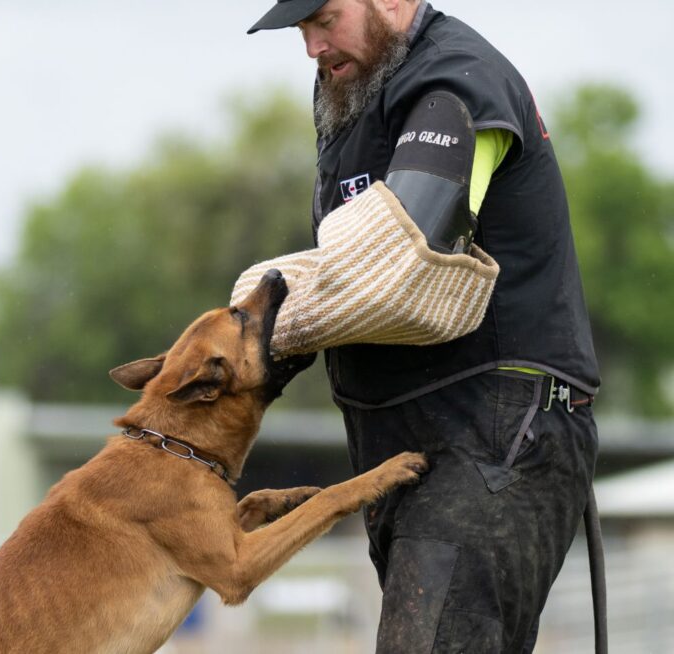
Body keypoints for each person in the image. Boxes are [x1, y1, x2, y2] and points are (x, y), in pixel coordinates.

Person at [244, 1, 601, 652]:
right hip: (407, 441)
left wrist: (252, 321)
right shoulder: (358, 83)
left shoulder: (456, 82)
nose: (312, 47)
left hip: (495, 438)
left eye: (326, 18)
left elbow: (399, 259)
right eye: (301, 29)